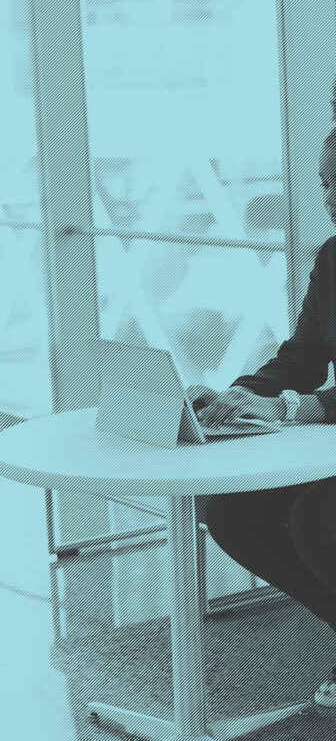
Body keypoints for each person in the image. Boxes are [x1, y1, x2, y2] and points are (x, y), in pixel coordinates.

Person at [187, 124, 336, 709]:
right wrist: (236, 395)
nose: (331, 196)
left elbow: (304, 395)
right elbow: (301, 358)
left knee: (313, 519)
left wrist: (299, 409)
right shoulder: (331, 260)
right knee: (228, 508)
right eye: (325, 182)